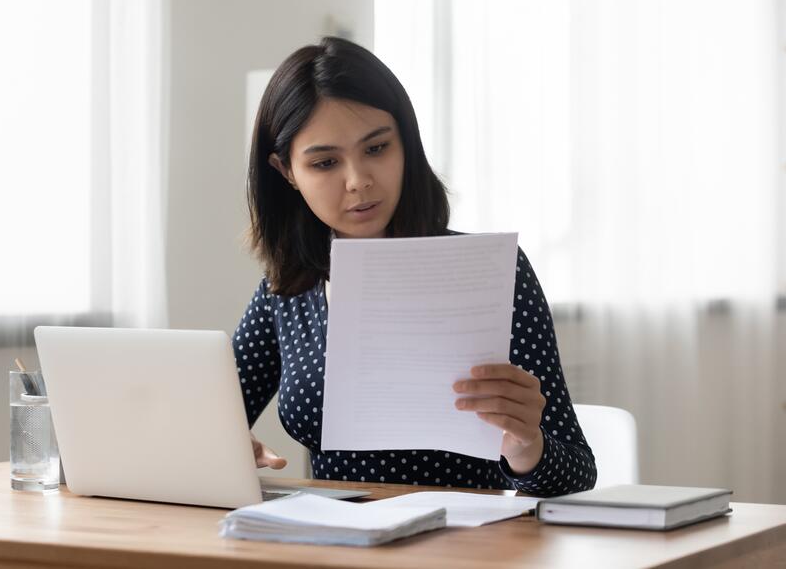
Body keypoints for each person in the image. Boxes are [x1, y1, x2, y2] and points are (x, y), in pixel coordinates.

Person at [234, 36, 596, 496]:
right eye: (325, 162)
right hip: (334, 543)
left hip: (467, 546)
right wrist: (225, 449)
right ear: (286, 171)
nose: (358, 181)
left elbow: (578, 474)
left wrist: (527, 448)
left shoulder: (489, 273)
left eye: (377, 149)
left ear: (405, 143)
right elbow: (208, 421)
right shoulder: (287, 290)